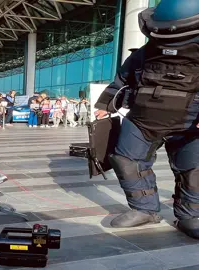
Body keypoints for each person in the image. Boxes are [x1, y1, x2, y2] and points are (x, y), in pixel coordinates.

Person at [94, 0, 199, 239]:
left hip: (190, 124)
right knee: (126, 160)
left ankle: (191, 215)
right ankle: (144, 209)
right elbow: (123, 79)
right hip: (143, 119)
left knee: (193, 170)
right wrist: (105, 104)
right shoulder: (146, 52)